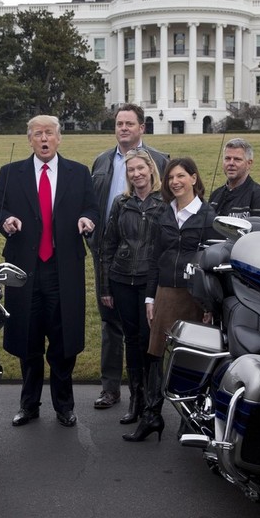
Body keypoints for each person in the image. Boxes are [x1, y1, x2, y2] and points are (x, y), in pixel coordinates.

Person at [0, 116, 98, 428]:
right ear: (30, 140)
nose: (44, 139)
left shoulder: (78, 172)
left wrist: (87, 220)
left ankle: (64, 406)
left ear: (59, 138)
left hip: (63, 270)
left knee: (63, 342)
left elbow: (91, 208)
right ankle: (29, 405)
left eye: (50, 133)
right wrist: (6, 220)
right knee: (28, 340)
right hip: (26, 269)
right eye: (38, 134)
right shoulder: (11, 172)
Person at [125, 158, 216, 442]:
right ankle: (152, 415)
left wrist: (209, 305)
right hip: (165, 292)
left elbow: (214, 263)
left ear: (193, 177)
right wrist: (150, 297)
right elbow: (155, 258)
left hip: (195, 296)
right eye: (170, 178)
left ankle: (190, 419)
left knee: (193, 358)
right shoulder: (163, 214)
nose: (174, 182)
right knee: (155, 355)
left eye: (180, 176)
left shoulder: (209, 216)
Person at [88, 104, 169, 411]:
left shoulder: (160, 160)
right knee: (111, 322)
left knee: (147, 327)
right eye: (119, 123)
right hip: (109, 254)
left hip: (148, 260)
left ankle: (149, 393)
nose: (123, 128)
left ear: (141, 128)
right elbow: (92, 204)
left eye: (129, 123)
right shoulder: (102, 161)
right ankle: (110, 388)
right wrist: (94, 241)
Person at [99, 150, 166, 425]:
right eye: (131, 170)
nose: (136, 174)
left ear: (151, 169)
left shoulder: (163, 203)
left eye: (141, 168)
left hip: (150, 282)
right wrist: (105, 287)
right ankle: (135, 400)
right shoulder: (121, 203)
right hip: (122, 278)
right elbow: (108, 245)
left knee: (150, 341)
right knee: (131, 339)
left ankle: (153, 402)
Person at [208, 138, 260, 224]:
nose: (231, 163)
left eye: (237, 159)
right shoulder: (215, 196)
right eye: (227, 158)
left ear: (249, 163)